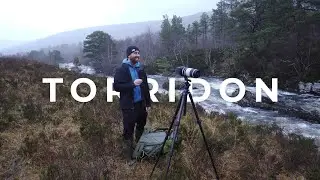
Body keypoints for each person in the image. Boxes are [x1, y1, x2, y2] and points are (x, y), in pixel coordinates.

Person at [113, 45, 151, 161]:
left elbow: (145, 87)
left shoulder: (141, 69)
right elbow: (117, 86)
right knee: (128, 130)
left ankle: (139, 151)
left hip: (141, 105)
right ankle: (128, 157)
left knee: (141, 126)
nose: (137, 55)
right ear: (129, 55)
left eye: (138, 53)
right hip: (129, 106)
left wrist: (148, 104)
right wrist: (133, 84)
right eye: (135, 53)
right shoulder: (122, 69)